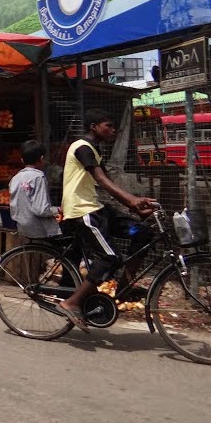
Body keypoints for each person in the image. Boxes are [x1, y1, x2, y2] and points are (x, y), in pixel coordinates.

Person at [56, 110, 156, 332]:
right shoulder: (81, 147)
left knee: (142, 233)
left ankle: (124, 288)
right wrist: (132, 201)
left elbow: (106, 181)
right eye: (108, 126)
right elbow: (100, 178)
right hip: (83, 212)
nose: (112, 131)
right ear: (94, 126)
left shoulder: (94, 149)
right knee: (109, 256)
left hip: (98, 209)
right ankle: (71, 303)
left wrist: (135, 207)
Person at [9, 140, 60, 240]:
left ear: (22, 160)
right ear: (41, 159)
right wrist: (57, 209)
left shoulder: (15, 178)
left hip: (23, 227)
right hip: (38, 228)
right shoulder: (38, 177)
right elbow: (41, 210)